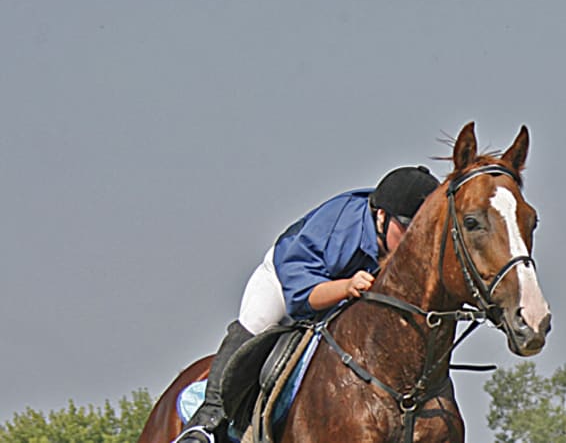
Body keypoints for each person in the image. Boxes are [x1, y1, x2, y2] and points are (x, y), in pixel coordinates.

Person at [176, 166, 440, 443]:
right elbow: (301, 296)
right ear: (382, 216)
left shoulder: (393, 240)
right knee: (255, 325)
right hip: (288, 281)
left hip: (343, 295)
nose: (415, 243)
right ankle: (207, 421)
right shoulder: (340, 229)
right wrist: (346, 287)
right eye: (409, 229)